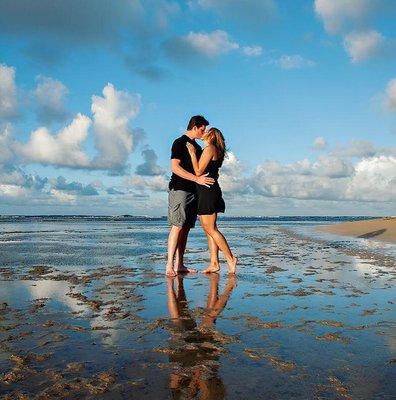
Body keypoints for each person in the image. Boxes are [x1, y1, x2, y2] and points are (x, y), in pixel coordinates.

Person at [166, 115, 217, 277]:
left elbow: (200, 168)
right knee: (177, 226)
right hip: (179, 189)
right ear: (195, 127)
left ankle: (180, 264)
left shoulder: (198, 148)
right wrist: (196, 179)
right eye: (202, 129)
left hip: (194, 192)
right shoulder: (179, 142)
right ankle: (169, 265)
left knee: (186, 228)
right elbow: (174, 167)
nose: (204, 133)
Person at [186, 128, 237, 274]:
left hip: (208, 191)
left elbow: (198, 171)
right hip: (206, 190)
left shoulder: (210, 148)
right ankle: (214, 263)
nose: (203, 132)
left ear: (211, 135)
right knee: (208, 229)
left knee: (211, 229)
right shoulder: (213, 149)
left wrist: (192, 153)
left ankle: (231, 258)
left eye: (206, 131)